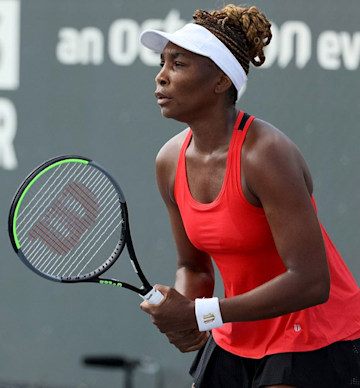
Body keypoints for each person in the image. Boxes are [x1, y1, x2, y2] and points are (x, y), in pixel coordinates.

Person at [139, 4, 360, 388]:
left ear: (221, 80)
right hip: (236, 334)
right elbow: (194, 267)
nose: (161, 77)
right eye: (162, 63)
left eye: (178, 64)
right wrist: (183, 316)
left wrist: (201, 313)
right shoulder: (169, 161)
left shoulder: (265, 154)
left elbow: (310, 281)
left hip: (313, 336)